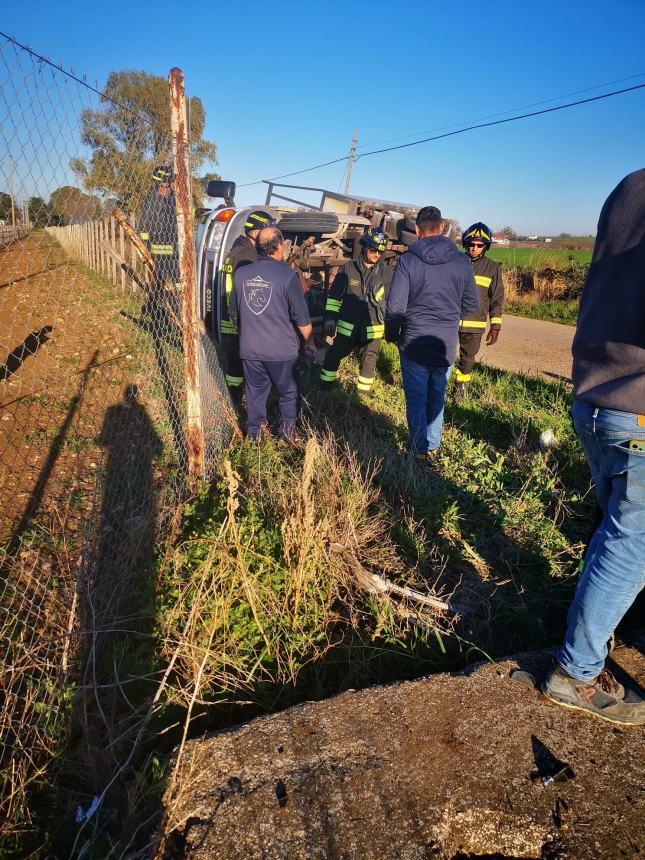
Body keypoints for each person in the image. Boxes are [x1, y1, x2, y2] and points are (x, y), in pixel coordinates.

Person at [540, 169, 645, 726]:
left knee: (615, 532)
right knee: (632, 544)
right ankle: (577, 672)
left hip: (598, 397)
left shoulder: (630, 188)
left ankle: (606, 627)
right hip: (640, 407)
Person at [385, 206, 477, 460]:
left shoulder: (408, 261)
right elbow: (471, 306)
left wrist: (393, 336)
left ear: (416, 230)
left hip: (414, 344)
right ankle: (433, 446)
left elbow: (395, 308)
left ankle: (418, 451)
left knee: (416, 400)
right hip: (444, 344)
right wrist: (448, 317)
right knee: (437, 398)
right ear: (442, 228)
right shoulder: (462, 261)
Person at [229, 226, 314, 442]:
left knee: (255, 395)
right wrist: (309, 343)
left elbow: (234, 313)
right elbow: (301, 318)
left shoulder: (241, 274)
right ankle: (287, 435)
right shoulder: (287, 276)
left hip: (250, 350)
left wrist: (247, 335)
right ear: (278, 246)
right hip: (281, 352)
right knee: (288, 393)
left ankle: (254, 436)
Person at [319, 227, 392, 395]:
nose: (377, 254)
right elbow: (334, 298)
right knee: (334, 354)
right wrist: (330, 319)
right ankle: (325, 387)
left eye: (380, 251)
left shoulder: (387, 274)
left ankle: (363, 396)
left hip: (373, 327)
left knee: (369, 359)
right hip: (347, 326)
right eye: (374, 250)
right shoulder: (348, 269)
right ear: (366, 247)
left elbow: (393, 303)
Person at [220, 210, 276, 395]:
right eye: (266, 231)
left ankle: (233, 398)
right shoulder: (247, 257)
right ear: (254, 232)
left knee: (234, 363)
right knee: (239, 365)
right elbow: (249, 295)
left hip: (231, 318)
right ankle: (236, 400)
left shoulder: (238, 250)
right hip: (239, 321)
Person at [453, 222, 504, 401]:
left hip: (475, 323)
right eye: (471, 244)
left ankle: (460, 386)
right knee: (442, 353)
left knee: (467, 358)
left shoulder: (492, 268)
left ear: (486, 246)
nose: (474, 248)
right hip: (450, 321)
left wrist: (495, 327)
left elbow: (497, 299)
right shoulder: (455, 261)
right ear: (466, 244)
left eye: (479, 245)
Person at [138, 165, 179, 289]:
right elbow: (143, 230)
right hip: (161, 258)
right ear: (161, 184)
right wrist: (148, 247)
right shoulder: (152, 203)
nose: (170, 188)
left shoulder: (172, 200)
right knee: (168, 290)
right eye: (168, 184)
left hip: (174, 255)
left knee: (178, 288)